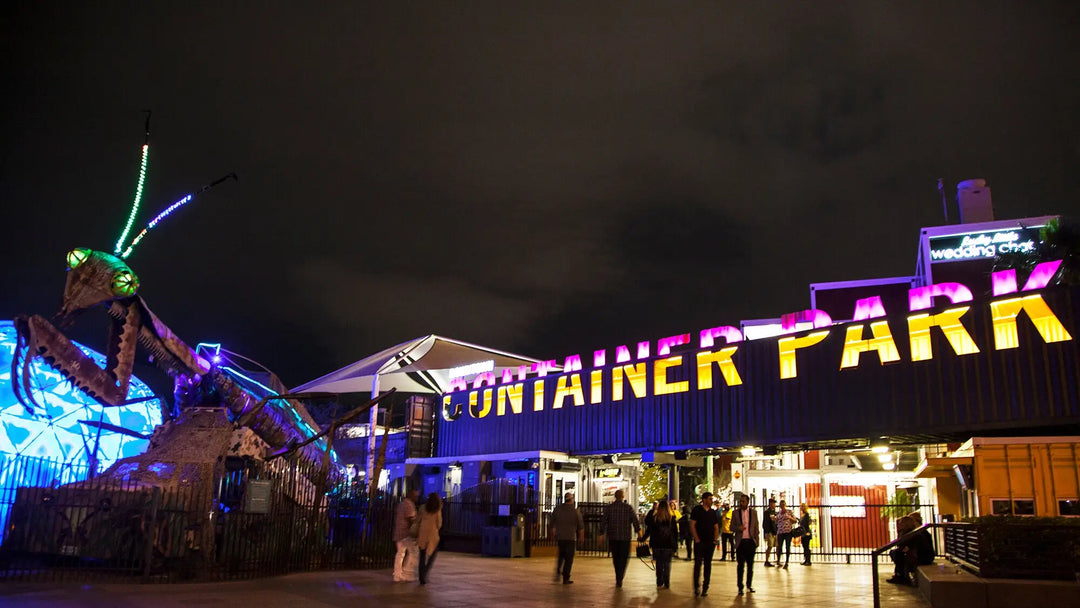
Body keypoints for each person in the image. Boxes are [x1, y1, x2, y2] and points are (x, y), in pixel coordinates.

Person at [600, 489, 640, 588]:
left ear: (615, 496)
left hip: (613, 536)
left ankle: (618, 574)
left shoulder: (609, 508)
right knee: (624, 557)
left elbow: (604, 521)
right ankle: (620, 576)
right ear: (623, 497)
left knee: (616, 557)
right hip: (625, 537)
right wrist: (639, 532)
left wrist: (601, 533)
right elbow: (635, 521)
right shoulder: (628, 508)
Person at [550, 491, 584, 584]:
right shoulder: (575, 512)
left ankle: (558, 570)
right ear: (572, 499)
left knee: (561, 555)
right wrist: (581, 538)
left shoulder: (557, 509)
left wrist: (553, 533)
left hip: (560, 537)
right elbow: (580, 527)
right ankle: (566, 577)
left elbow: (552, 523)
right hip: (571, 538)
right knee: (569, 558)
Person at [644, 499, 679, 589]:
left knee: (659, 563)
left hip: (657, 544)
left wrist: (643, 538)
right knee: (667, 564)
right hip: (668, 544)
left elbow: (648, 529)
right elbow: (675, 533)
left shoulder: (655, 519)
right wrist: (675, 546)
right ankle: (666, 582)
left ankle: (659, 581)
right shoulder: (672, 519)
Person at [690, 492, 719, 597]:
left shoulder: (712, 512)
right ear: (704, 499)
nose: (712, 501)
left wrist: (715, 540)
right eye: (710, 499)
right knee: (697, 564)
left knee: (708, 565)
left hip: (710, 542)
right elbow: (692, 524)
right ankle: (696, 587)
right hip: (700, 542)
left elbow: (716, 526)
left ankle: (705, 587)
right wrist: (696, 538)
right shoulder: (697, 510)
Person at [731, 494, 760, 595]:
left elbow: (756, 527)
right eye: (740, 501)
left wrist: (756, 540)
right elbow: (731, 527)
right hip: (741, 542)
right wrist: (738, 528)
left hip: (750, 541)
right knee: (740, 566)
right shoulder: (735, 513)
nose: (742, 503)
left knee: (750, 566)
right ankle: (740, 586)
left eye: (743, 501)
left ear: (748, 502)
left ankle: (749, 584)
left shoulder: (754, 513)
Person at [392, 488, 420, 582]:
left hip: (398, 531)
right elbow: (410, 519)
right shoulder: (409, 505)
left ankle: (397, 574)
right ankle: (407, 572)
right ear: (411, 496)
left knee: (400, 553)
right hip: (406, 533)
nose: (417, 498)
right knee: (414, 552)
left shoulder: (401, 504)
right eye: (415, 496)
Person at [416, 492, 442, 585]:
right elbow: (439, 523)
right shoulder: (437, 510)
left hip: (423, 534)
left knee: (422, 556)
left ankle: (421, 576)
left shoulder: (423, 508)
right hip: (432, 535)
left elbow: (418, 520)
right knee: (432, 555)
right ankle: (425, 573)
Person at [887, 515, 918, 585]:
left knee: (898, 554)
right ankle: (899, 574)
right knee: (897, 553)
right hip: (911, 552)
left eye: (901, 523)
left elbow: (905, 546)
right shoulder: (907, 532)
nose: (899, 525)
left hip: (914, 554)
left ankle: (899, 575)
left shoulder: (910, 533)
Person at [775, 499, 797, 569]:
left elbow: (795, 520)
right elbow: (777, 521)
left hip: (788, 531)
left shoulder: (789, 512)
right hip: (780, 532)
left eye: (783, 505)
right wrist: (775, 519)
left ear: (785, 505)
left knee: (787, 546)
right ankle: (778, 560)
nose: (782, 507)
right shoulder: (779, 513)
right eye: (780, 505)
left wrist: (790, 518)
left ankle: (787, 562)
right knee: (779, 546)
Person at [762, 497, 778, 567]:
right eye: (773, 503)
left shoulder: (775, 512)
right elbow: (765, 523)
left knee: (777, 545)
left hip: (775, 531)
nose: (774, 505)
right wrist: (766, 532)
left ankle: (778, 559)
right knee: (770, 546)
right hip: (770, 532)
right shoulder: (767, 512)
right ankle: (767, 560)